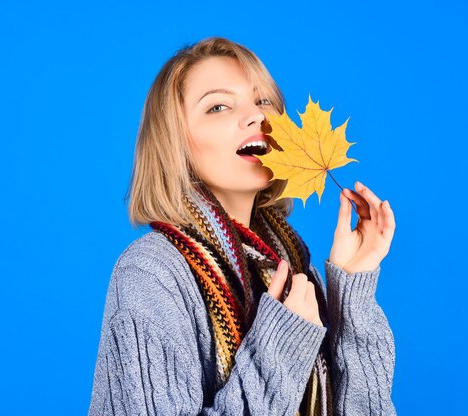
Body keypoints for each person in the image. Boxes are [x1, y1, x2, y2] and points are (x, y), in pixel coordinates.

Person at [88, 36, 397, 416]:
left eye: (263, 100)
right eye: (218, 106)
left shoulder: (295, 277)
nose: (256, 116)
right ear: (175, 144)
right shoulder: (152, 274)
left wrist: (351, 292)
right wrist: (279, 345)